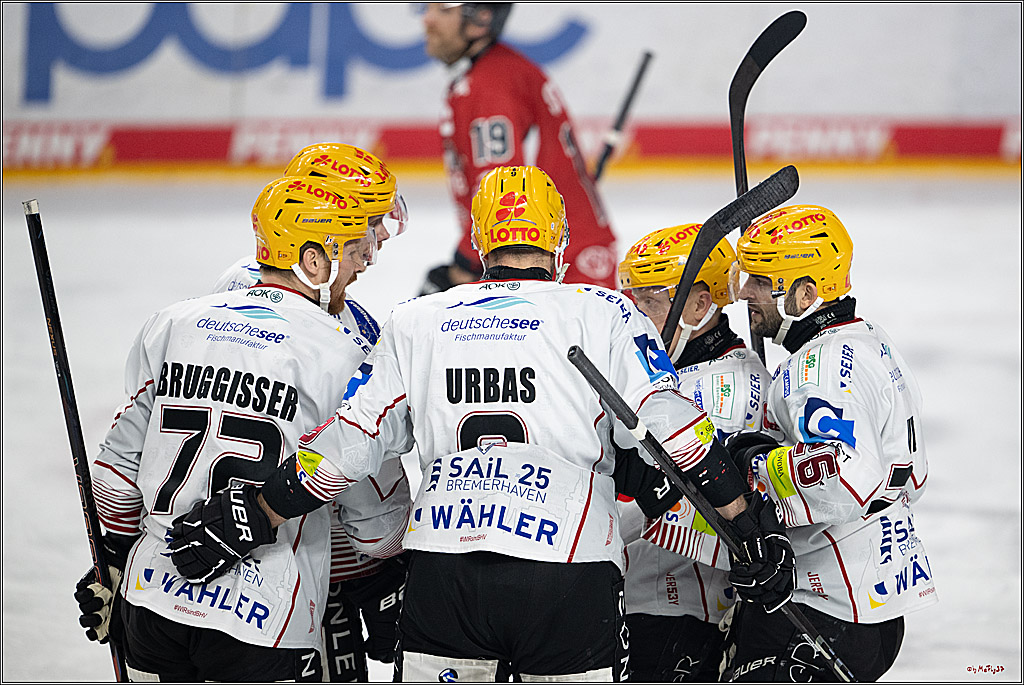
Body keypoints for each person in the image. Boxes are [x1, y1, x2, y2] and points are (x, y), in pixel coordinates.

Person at [164, 165, 795, 682]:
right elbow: (679, 436)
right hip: (567, 578)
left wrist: (256, 512)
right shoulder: (601, 311)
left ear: (481, 241)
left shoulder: (416, 320)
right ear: (559, 240)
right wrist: (749, 526)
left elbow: (343, 454)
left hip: (444, 575)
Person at [73, 174, 411, 681]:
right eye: (351, 250)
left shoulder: (172, 323)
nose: (363, 263)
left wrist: (116, 561)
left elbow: (113, 477)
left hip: (150, 603)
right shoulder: (343, 356)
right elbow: (375, 529)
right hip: (263, 619)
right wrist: (386, 574)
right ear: (313, 259)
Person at [209, 142, 410, 680]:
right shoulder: (336, 331)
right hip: (284, 574)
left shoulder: (226, 297)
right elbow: (358, 488)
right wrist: (382, 567)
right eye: (369, 222)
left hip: (209, 558)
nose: (382, 237)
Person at [720, 204, 937, 681]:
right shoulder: (870, 340)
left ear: (806, 294)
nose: (744, 295)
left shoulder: (814, 367)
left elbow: (844, 472)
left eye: (760, 280)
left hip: (823, 603)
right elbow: (910, 476)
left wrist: (759, 468)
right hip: (876, 598)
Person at [615, 224, 772, 681]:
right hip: (637, 594)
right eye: (632, 299)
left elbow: (679, 496)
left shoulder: (728, 386)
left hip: (681, 606)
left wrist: (583, 536)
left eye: (650, 303)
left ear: (700, 306)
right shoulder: (665, 366)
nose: (635, 315)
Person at [417, 2, 619, 294]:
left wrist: (466, 263)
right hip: (550, 255)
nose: (427, 20)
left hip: (555, 265)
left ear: (480, 20)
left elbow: (504, 195)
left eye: (443, 11)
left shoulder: (491, 86)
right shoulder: (499, 71)